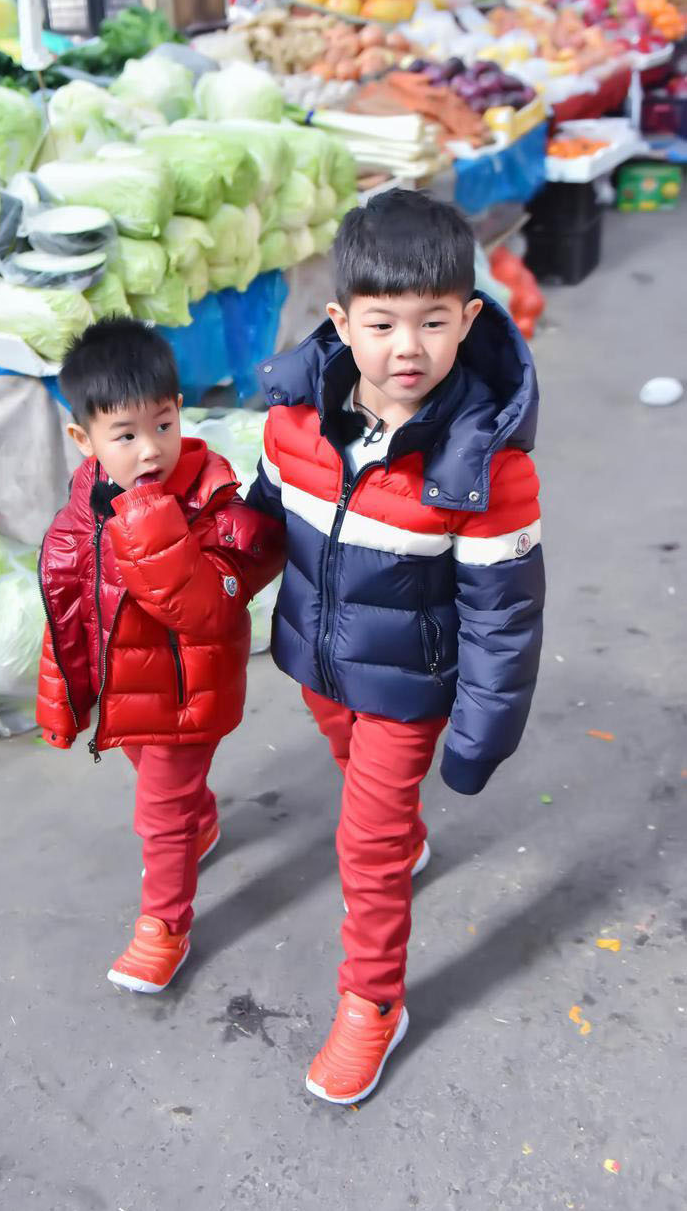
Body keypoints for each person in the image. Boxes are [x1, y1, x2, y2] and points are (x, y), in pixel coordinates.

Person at [247, 190, 544, 1105]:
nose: (405, 348)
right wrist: (209, 584)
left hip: (412, 685)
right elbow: (262, 532)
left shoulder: (485, 470)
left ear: (469, 319)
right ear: (341, 322)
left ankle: (372, 1003)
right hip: (318, 663)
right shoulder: (292, 425)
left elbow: (505, 615)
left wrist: (480, 734)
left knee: (365, 844)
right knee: (353, 769)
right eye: (380, 323)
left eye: (432, 322)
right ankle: (401, 827)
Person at [36, 319, 284, 995]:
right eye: (125, 435)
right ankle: (202, 822)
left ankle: (164, 926)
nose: (150, 450)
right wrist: (67, 696)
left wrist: (148, 520)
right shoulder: (86, 506)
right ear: (83, 441)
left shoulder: (213, 505)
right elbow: (69, 607)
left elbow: (205, 608)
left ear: (181, 413)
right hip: (128, 694)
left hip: (187, 696)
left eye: (164, 424)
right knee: (159, 784)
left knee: (159, 812)